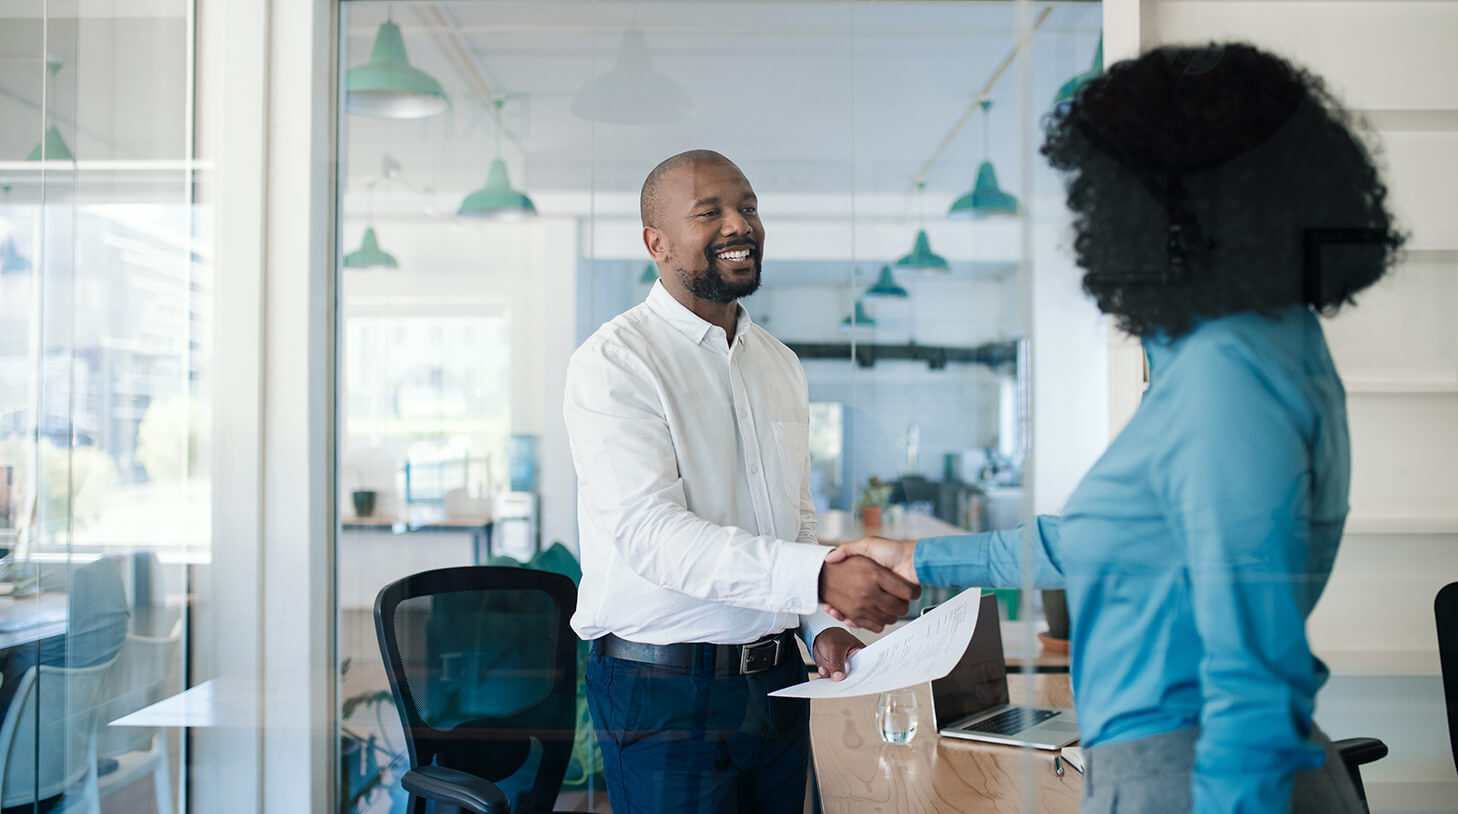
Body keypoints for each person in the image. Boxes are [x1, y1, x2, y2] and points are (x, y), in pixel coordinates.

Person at [830, 44, 1403, 814]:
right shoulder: (1243, 346)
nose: (1090, 218)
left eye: (1105, 189)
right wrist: (919, 556)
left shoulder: (1228, 372)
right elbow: (1096, 539)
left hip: (1201, 777)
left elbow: (1253, 676)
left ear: (1173, 202)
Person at [564, 149, 920, 814]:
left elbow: (793, 520)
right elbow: (652, 536)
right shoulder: (615, 363)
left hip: (777, 684)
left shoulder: (779, 364)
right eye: (711, 212)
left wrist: (822, 626)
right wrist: (817, 577)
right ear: (657, 243)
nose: (740, 224)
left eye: (748, 207)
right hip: (661, 690)